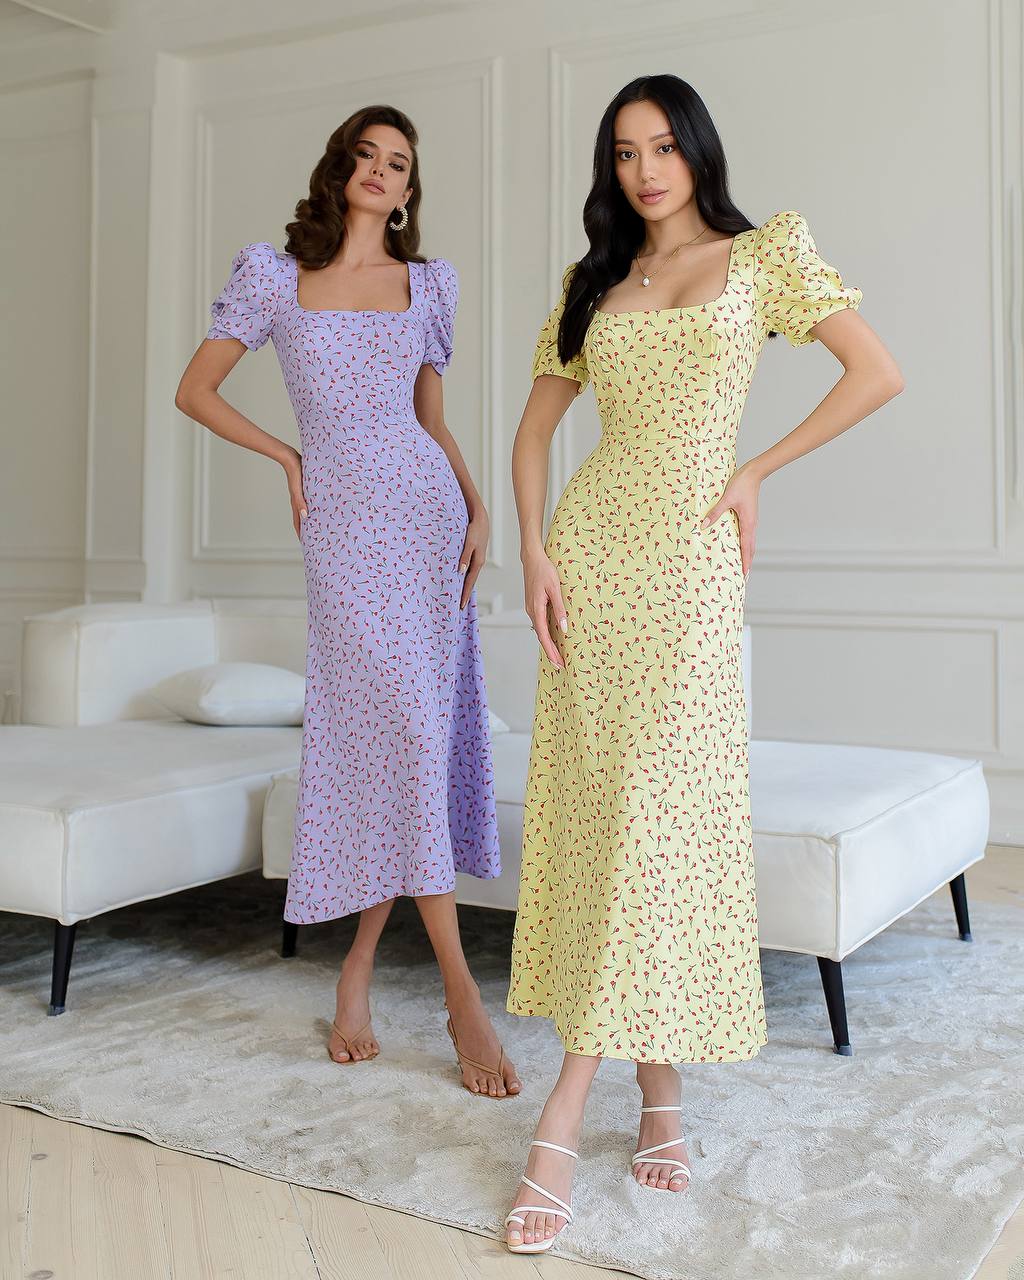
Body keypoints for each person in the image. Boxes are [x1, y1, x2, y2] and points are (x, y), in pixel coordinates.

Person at [502, 74, 903, 1252]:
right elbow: (532, 433)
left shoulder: (764, 255)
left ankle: (564, 1112)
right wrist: (530, 551)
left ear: (697, 152)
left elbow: (874, 371)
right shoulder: (593, 284)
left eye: (663, 146)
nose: (644, 169)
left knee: (653, 820)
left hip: (687, 563)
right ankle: (660, 1093)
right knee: (604, 818)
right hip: (589, 555)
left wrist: (756, 470)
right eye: (624, 151)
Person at [174, 105, 521, 1100]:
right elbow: (195, 390)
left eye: (397, 162)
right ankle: (461, 994)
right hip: (341, 528)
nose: (379, 170)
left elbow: (429, 418)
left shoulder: (428, 284)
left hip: (425, 518)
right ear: (340, 172)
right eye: (364, 155)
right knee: (397, 733)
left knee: (407, 740)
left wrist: (475, 500)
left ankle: (360, 966)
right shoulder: (273, 277)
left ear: (409, 191)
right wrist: (286, 452)